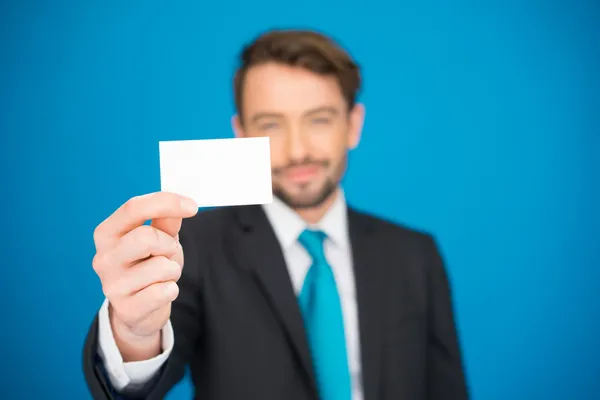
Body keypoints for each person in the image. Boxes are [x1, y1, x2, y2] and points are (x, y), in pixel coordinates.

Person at [82, 29, 469, 400]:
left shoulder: (415, 256)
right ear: (241, 133)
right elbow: (134, 388)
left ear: (353, 125)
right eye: (271, 124)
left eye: (318, 119)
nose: (298, 150)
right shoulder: (192, 248)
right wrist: (133, 331)